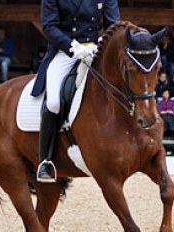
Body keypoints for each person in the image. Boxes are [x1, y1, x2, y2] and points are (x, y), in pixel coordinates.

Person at [31, 0, 120, 182]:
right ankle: (46, 161)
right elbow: (49, 27)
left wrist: (105, 41)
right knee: (54, 102)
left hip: (95, 50)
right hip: (65, 52)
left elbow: (114, 24)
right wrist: (72, 47)